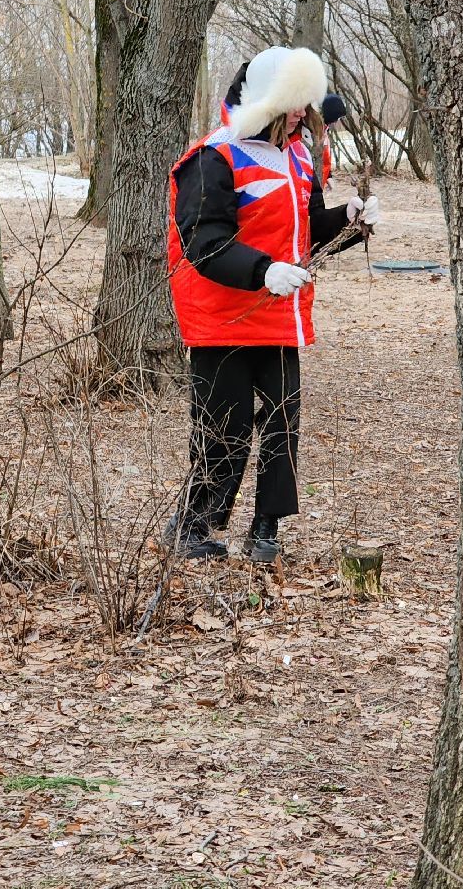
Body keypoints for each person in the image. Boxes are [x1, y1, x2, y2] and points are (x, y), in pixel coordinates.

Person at [164, 46, 381, 563]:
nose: (302, 113)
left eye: (304, 104)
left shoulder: (300, 156)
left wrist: (350, 221)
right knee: (226, 426)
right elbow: (204, 241)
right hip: (224, 318)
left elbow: (306, 229)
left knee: (283, 423)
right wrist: (263, 270)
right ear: (265, 102)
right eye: (292, 104)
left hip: (281, 316)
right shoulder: (214, 157)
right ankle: (193, 524)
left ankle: (266, 528)